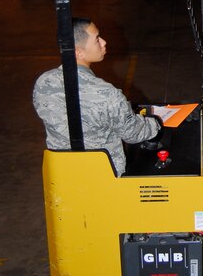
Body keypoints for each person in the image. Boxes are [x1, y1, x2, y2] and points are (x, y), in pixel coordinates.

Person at [33, 18, 161, 176]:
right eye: (97, 39)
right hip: (102, 176)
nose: (104, 42)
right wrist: (156, 123)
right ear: (78, 52)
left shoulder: (43, 82)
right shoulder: (107, 94)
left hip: (62, 175)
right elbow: (133, 133)